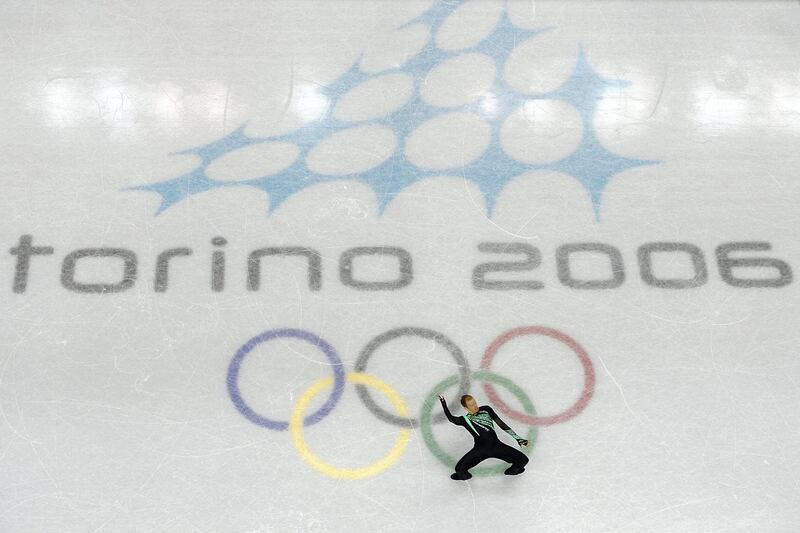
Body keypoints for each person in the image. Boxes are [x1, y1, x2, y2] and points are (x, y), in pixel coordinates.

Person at [437, 393, 530, 480]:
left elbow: (502, 424)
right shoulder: (465, 420)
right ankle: (464, 474)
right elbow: (451, 418)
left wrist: (518, 438)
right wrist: (443, 402)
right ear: (465, 408)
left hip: (497, 446)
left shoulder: (486, 409)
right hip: (480, 450)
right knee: (459, 470)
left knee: (524, 460)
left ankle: (513, 470)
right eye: (471, 405)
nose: (475, 406)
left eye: (475, 403)